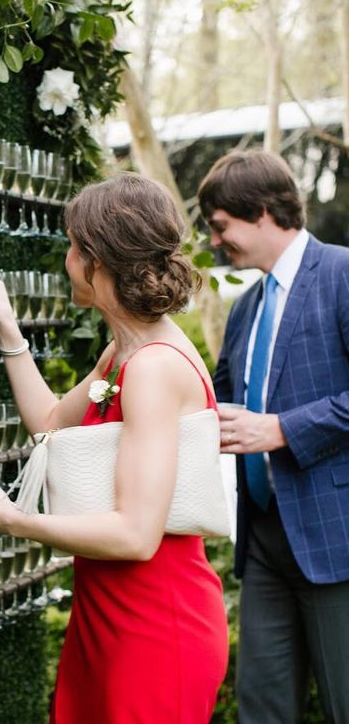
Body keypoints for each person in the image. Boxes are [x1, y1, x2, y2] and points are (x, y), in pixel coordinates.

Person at [0, 173, 228, 724]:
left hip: (155, 625)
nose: (67, 259)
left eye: (73, 246)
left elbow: (135, 534)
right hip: (103, 612)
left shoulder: (152, 368)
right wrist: (8, 329)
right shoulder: (123, 352)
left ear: (98, 260)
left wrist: (15, 521)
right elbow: (50, 422)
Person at [198, 149, 349, 724]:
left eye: (220, 227)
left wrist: (283, 429)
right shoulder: (245, 307)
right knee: (260, 709)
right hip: (262, 542)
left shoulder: (341, 274)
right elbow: (213, 397)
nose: (216, 242)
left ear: (261, 211)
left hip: (336, 542)